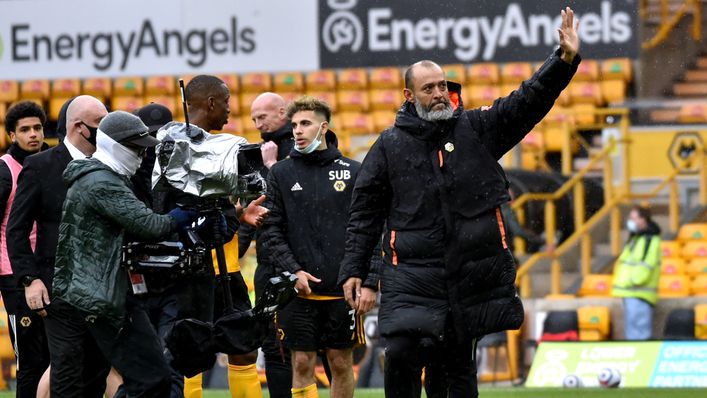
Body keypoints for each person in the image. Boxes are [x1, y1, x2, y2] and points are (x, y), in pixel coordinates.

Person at [338, 7, 581, 397]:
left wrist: (563, 61)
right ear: (408, 95)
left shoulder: (476, 129)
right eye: (428, 88)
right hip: (410, 278)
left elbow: (526, 102)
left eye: (441, 85)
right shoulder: (388, 145)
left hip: (465, 278)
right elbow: (364, 214)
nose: (438, 94)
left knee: (455, 371)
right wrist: (355, 270)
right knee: (400, 353)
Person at [46, 110, 198, 398]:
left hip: (92, 293)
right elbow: (150, 225)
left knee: (93, 383)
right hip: (105, 297)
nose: (141, 156)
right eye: (137, 148)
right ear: (115, 145)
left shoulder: (100, 177)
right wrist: (185, 213)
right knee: (152, 378)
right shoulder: (102, 182)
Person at [261, 96, 378, 398]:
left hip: (343, 289)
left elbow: (370, 230)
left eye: (305, 124)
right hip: (299, 290)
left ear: (323, 127)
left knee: (340, 364)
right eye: (295, 125)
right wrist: (294, 270)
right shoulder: (280, 174)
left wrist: (370, 281)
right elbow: (272, 231)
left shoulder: (353, 171)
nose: (297, 131)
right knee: (301, 363)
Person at [169, 74, 265, 398]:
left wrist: (235, 215)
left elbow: (222, 212)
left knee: (244, 347)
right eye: (225, 102)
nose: (229, 110)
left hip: (228, 268)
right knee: (190, 354)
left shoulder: (228, 150)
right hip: (191, 274)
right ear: (210, 103)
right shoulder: (173, 150)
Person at [238, 92, 294, 398]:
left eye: (263, 117)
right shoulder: (252, 155)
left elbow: (299, 205)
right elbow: (251, 212)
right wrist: (234, 253)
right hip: (268, 265)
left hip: (300, 263)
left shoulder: (301, 148)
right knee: (273, 345)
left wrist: (273, 168)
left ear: (282, 112)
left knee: (307, 346)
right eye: (254, 119)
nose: (259, 124)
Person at [0, 100, 47, 398]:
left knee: (54, 360)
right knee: (30, 362)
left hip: (46, 273)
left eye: (38, 128)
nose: (33, 134)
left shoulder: (47, 165)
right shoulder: (5, 171)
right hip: (15, 278)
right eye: (25, 129)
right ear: (11, 135)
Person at [611, 205, 661, 340]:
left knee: (639, 334)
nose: (630, 221)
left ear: (643, 220)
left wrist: (633, 281)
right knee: (632, 332)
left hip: (639, 292)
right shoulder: (636, 239)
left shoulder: (650, 240)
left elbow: (647, 265)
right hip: (631, 292)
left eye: (633, 218)